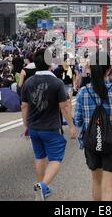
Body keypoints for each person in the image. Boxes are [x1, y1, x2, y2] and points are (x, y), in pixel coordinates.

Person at [21, 48, 77, 201]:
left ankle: (42, 189)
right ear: (50, 63)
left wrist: (26, 126)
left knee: (40, 156)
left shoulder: (28, 82)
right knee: (55, 159)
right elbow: (64, 107)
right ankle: (42, 186)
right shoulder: (56, 83)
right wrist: (71, 126)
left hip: (33, 127)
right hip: (51, 127)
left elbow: (24, 106)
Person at [74, 52, 112, 201]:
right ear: (109, 70)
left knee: (96, 182)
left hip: (92, 143)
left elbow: (78, 121)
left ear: (91, 69)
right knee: (109, 189)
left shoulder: (82, 93)